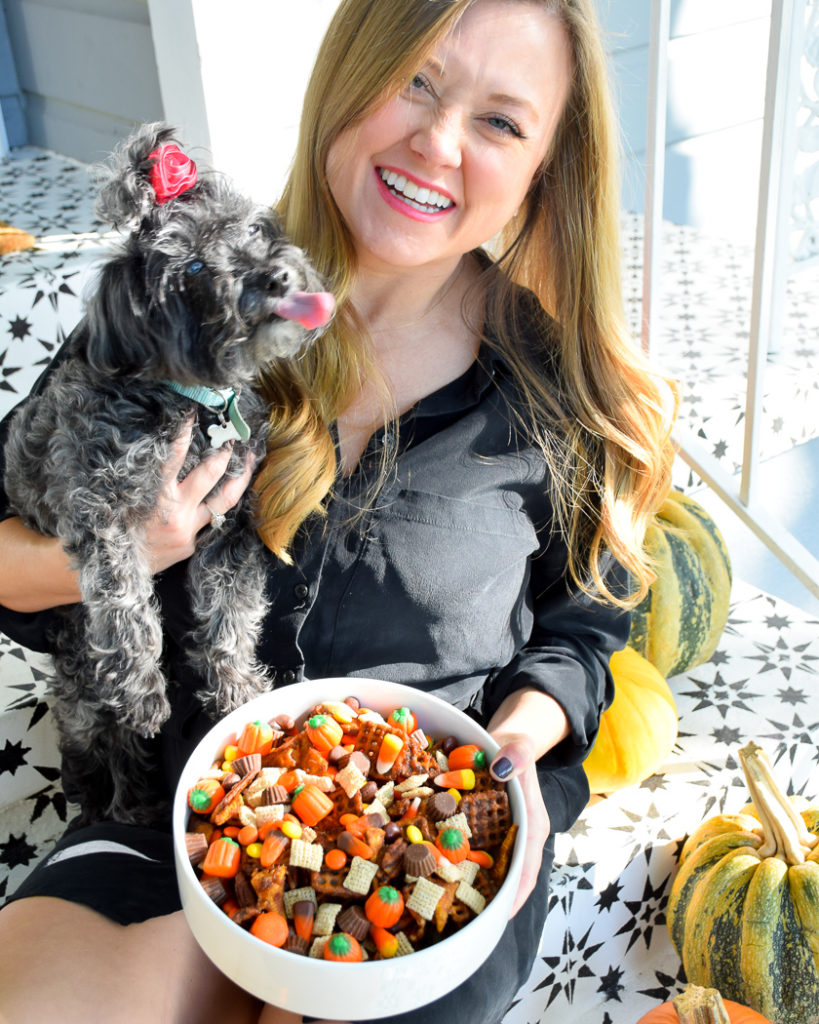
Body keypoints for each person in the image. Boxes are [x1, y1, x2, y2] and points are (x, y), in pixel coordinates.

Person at [0, 1, 676, 1021]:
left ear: (545, 167)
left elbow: (584, 626)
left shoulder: (561, 391)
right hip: (165, 815)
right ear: (351, 72)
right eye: (416, 78)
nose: (437, 143)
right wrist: (119, 552)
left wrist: (521, 750)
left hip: (430, 836)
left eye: (501, 122)